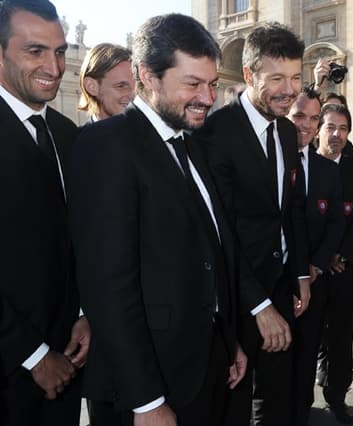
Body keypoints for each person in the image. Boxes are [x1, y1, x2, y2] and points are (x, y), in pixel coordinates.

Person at [67, 14, 246, 426]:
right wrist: (146, 401)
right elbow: (107, 288)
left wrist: (227, 338)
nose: (208, 97)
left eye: (212, 83)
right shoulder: (106, 146)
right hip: (149, 386)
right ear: (147, 76)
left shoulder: (192, 143)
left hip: (204, 364)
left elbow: (212, 250)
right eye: (192, 84)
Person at [195, 21, 310, 426]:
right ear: (248, 75)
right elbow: (218, 232)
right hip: (234, 296)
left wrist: (299, 273)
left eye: (296, 77)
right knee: (233, 402)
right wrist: (258, 305)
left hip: (280, 285)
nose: (290, 89)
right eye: (276, 78)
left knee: (277, 396)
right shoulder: (215, 133)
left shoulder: (284, 129)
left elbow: (291, 207)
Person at [0, 1, 89, 425]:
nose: (54, 67)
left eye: (59, 51)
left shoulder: (67, 135)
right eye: (35, 51)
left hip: (67, 363)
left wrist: (85, 315)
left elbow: (79, 239)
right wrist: (33, 356)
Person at [288, 87, 345, 426]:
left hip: (315, 279)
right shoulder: (268, 163)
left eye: (313, 119)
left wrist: (316, 266)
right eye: (299, 116)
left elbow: (337, 220)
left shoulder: (327, 170)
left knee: (308, 353)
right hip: (273, 283)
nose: (306, 126)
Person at [314, 103, 353, 424]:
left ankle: (337, 395)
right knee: (311, 336)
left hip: (346, 269)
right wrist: (322, 257)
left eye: (343, 129)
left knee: (341, 336)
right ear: (318, 129)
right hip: (311, 272)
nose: (336, 135)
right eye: (330, 127)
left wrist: (339, 255)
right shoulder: (301, 165)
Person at [78, 42, 134, 122]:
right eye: (121, 86)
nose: (134, 95)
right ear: (91, 87)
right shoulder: (81, 134)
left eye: (139, 87)